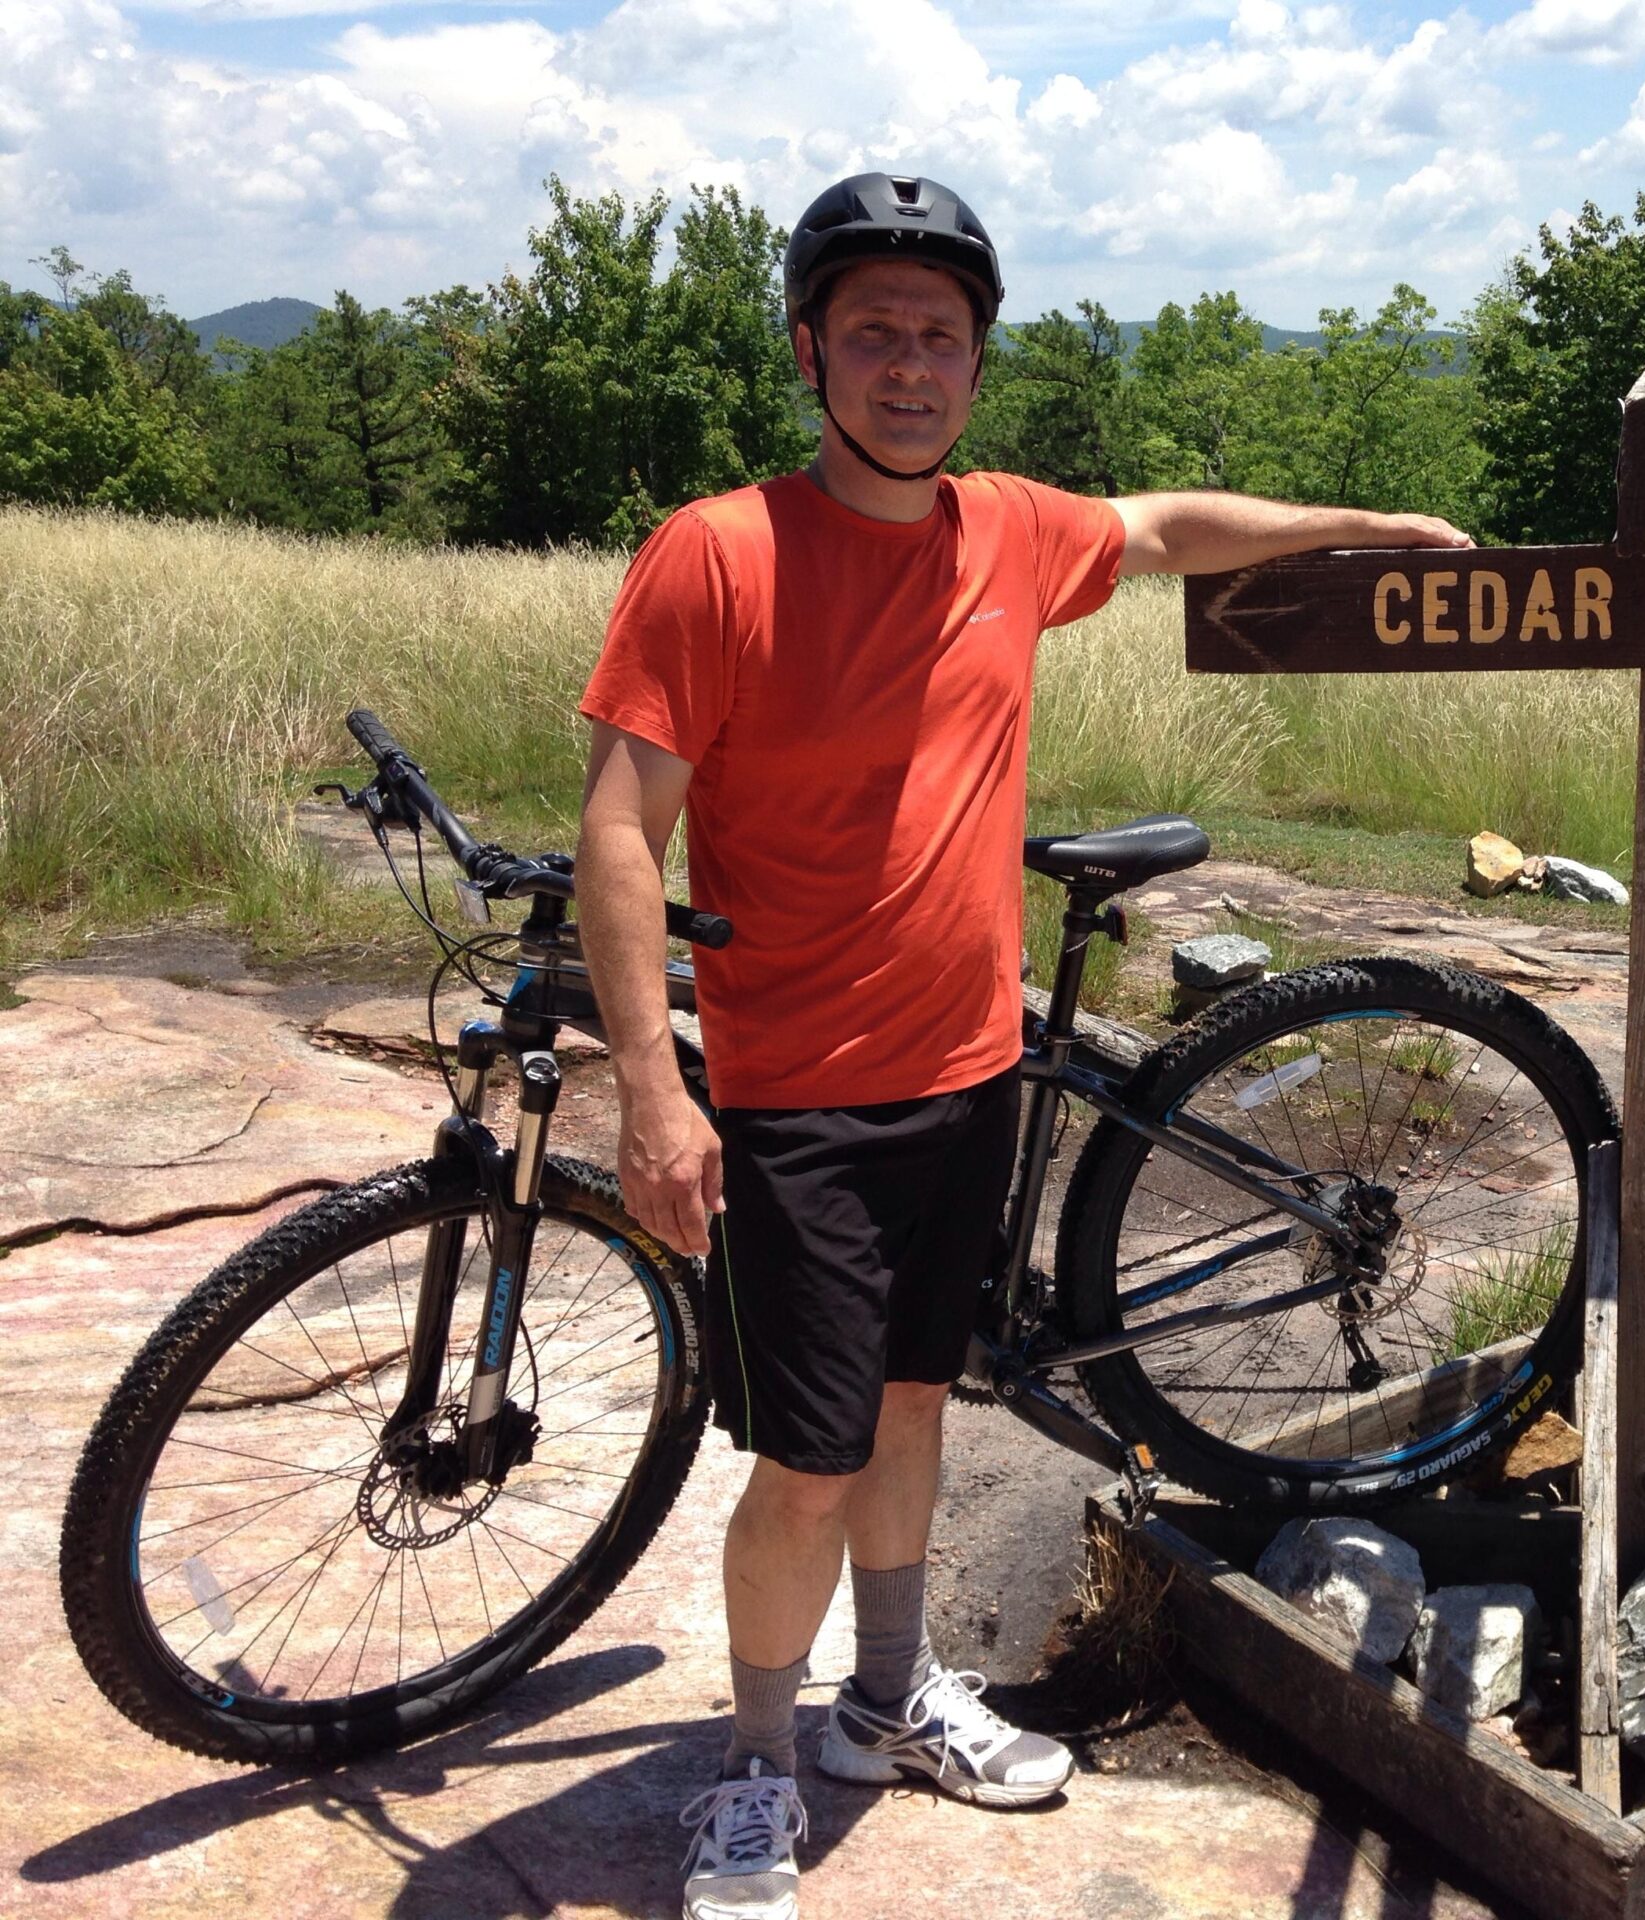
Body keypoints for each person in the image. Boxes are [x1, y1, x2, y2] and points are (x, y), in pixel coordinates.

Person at [573, 172, 1470, 1920]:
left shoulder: (1004, 529)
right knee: (809, 1457)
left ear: (975, 362)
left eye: (941, 336)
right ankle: (752, 1770)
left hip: (967, 1072)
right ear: (813, 349)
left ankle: (886, 1703)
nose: (910, 366)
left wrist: (1362, 525)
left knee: (916, 1403)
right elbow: (622, 831)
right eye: (875, 333)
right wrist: (652, 1087)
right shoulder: (720, 551)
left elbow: (1161, 527)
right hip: (799, 1096)